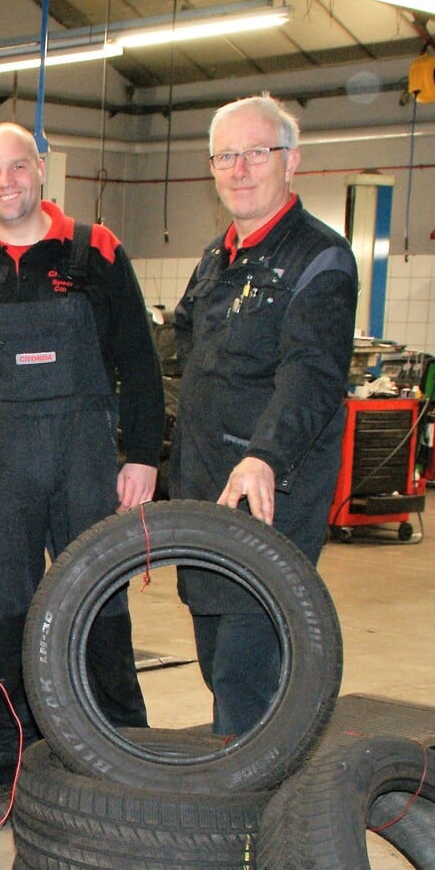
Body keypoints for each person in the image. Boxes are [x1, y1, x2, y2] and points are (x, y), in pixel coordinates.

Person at [0, 122, 164, 789]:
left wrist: (143, 453)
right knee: (5, 602)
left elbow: (139, 359)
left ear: (42, 170)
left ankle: (119, 736)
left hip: (84, 453)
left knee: (98, 591)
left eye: (18, 167)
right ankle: (6, 748)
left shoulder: (97, 250)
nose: (7, 182)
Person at [171, 93, 357, 736]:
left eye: (257, 152)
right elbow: (190, 353)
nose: (240, 169)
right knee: (217, 651)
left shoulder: (319, 259)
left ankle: (250, 816)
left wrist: (265, 455)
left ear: (291, 162)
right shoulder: (215, 257)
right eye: (226, 155)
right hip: (204, 487)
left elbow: (314, 373)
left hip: (270, 490)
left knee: (247, 668)